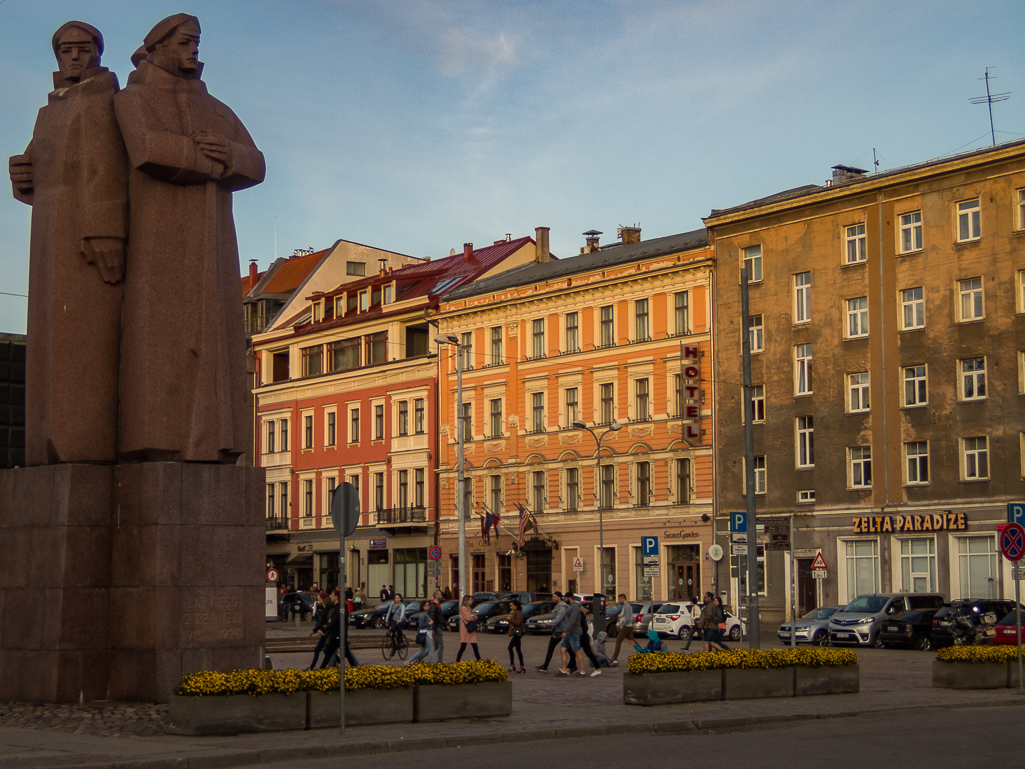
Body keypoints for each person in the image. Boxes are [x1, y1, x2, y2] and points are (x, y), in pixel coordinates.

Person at [113, 14, 265, 462]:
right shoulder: (133, 98)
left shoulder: (217, 108)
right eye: (185, 42)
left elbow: (256, 163)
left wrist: (231, 153)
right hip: (155, 235)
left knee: (213, 336)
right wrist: (213, 161)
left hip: (214, 240)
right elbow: (147, 149)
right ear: (157, 47)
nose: (193, 50)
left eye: (196, 43)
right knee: (158, 337)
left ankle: (210, 441)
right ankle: (156, 438)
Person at [10, 21, 127, 467]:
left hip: (84, 237)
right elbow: (41, 168)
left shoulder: (106, 100)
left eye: (82, 49)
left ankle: (80, 443)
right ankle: (48, 446)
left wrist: (105, 229)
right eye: (65, 51)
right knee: (48, 338)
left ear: (97, 53)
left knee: (82, 337)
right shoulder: (51, 109)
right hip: (48, 233)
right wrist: (23, 178)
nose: (74, 57)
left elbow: (107, 169)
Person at [556, 593, 587, 677]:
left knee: (576, 651)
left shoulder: (575, 607)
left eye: (565, 598)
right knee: (562, 649)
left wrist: (565, 631)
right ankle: (564, 670)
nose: (564, 599)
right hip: (569, 632)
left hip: (575, 632)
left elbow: (572, 620)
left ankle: (582, 671)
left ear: (569, 598)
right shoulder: (570, 606)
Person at [536, 592, 567, 672]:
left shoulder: (562, 608)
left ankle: (545, 666)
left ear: (559, 598)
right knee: (568, 649)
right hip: (558, 630)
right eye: (552, 597)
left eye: (554, 597)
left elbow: (557, 620)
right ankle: (545, 665)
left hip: (561, 631)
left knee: (552, 648)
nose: (553, 598)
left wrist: (547, 624)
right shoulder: (557, 606)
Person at [406, 600, 436, 664]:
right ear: (423, 606)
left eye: (428, 605)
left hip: (426, 633)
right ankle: (432, 663)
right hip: (424, 633)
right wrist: (429, 623)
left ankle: (409, 661)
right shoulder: (422, 614)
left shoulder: (426, 614)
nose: (428, 607)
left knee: (422, 651)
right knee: (431, 649)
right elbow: (421, 625)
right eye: (427, 605)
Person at [610, 594, 635, 666]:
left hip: (625, 627)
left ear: (623, 598)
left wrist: (622, 625)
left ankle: (614, 657)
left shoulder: (627, 606)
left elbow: (627, 618)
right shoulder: (627, 606)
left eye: (619, 599)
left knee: (618, 641)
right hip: (629, 627)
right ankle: (644, 653)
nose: (619, 601)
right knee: (633, 641)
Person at [307, 592, 329, 669]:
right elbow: (321, 622)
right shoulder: (323, 608)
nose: (317, 600)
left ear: (323, 599)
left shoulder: (328, 609)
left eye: (319, 598)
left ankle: (339, 662)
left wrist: (323, 630)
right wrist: (314, 630)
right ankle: (312, 667)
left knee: (327, 651)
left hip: (328, 633)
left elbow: (328, 622)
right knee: (318, 649)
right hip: (324, 632)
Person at [456, 595, 481, 661]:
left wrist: (474, 616)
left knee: (475, 647)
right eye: (471, 600)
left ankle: (479, 660)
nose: (472, 601)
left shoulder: (469, 608)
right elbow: (469, 618)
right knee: (463, 647)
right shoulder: (463, 608)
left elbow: (473, 617)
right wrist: (474, 616)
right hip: (466, 630)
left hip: (470, 631)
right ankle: (457, 660)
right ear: (467, 601)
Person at [506, 599, 525, 673]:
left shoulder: (518, 612)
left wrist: (509, 620)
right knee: (518, 650)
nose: (510, 607)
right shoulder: (515, 612)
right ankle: (522, 666)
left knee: (510, 647)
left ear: (516, 606)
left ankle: (513, 665)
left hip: (518, 633)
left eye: (511, 605)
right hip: (517, 633)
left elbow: (518, 622)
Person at [428, 589, 446, 663]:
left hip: (437, 627)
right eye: (440, 595)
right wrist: (433, 629)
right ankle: (440, 662)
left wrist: (446, 624)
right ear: (436, 596)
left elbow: (440, 617)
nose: (442, 596)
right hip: (436, 628)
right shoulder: (433, 605)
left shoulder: (437, 605)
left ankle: (420, 656)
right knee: (441, 646)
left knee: (435, 646)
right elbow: (433, 617)